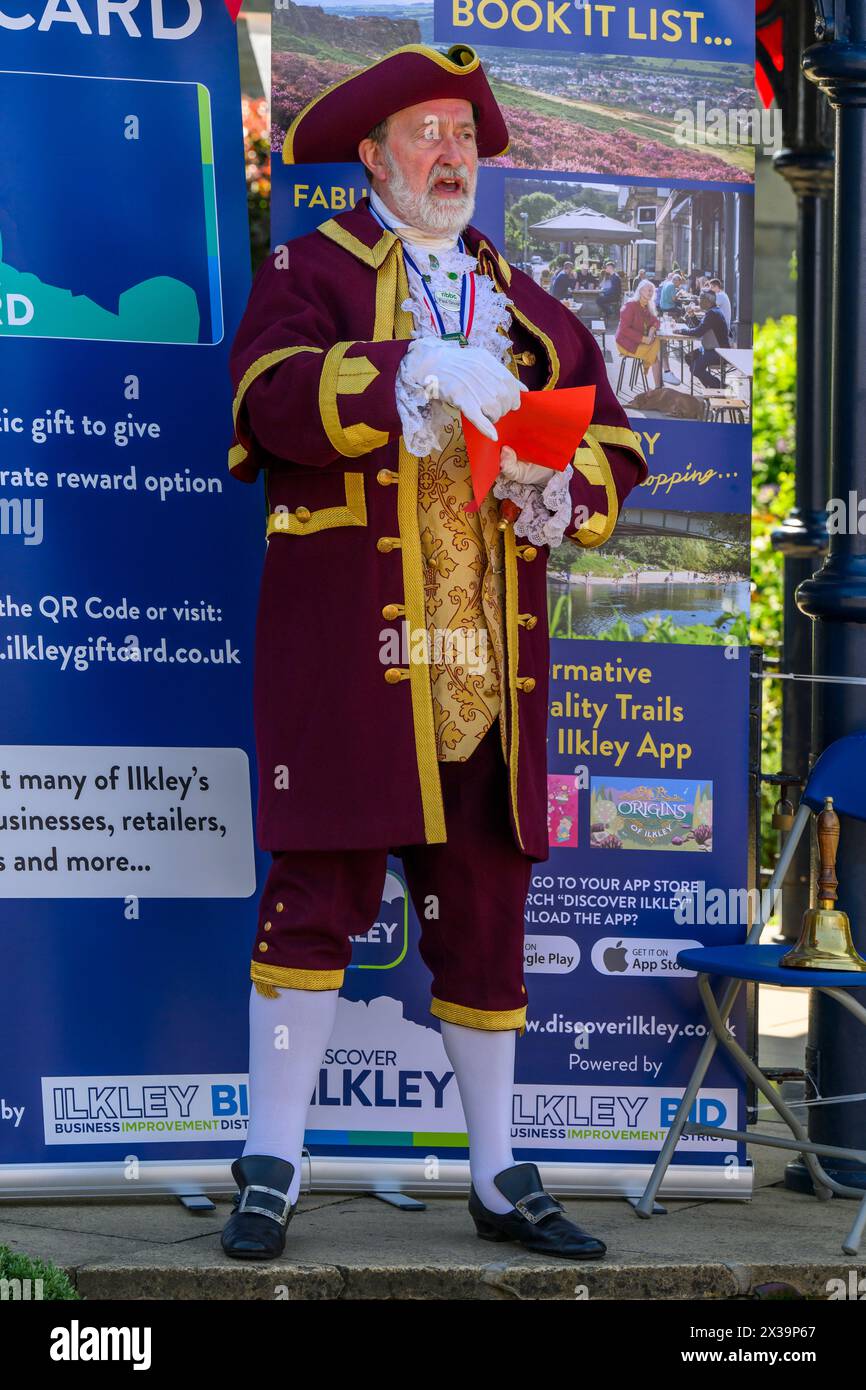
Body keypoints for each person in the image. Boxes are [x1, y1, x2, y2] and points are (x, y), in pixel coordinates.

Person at [221, 43, 647, 1263]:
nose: (451, 155)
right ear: (371, 158)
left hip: (489, 667)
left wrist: (561, 484)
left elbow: (610, 440)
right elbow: (267, 400)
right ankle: (271, 1159)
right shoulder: (310, 268)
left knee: (485, 915)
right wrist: (407, 370)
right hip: (358, 651)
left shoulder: (522, 301)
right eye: (426, 133)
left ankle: (500, 1173)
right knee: (317, 897)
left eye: (464, 135)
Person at [614, 279, 662, 390]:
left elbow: (656, 321)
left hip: (637, 341)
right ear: (640, 291)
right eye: (648, 290)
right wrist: (644, 339)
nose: (650, 293)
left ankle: (658, 388)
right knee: (655, 356)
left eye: (652, 291)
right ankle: (659, 388)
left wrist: (652, 329)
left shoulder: (647, 306)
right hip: (625, 343)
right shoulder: (630, 305)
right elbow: (624, 329)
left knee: (657, 347)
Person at [678, 289, 730, 389]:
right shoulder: (713, 311)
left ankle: (722, 387)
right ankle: (710, 387)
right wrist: (692, 316)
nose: (699, 301)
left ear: (708, 301)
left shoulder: (712, 314)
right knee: (689, 358)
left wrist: (681, 331)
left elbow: (698, 332)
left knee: (696, 369)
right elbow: (701, 327)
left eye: (701, 299)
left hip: (719, 352)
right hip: (710, 349)